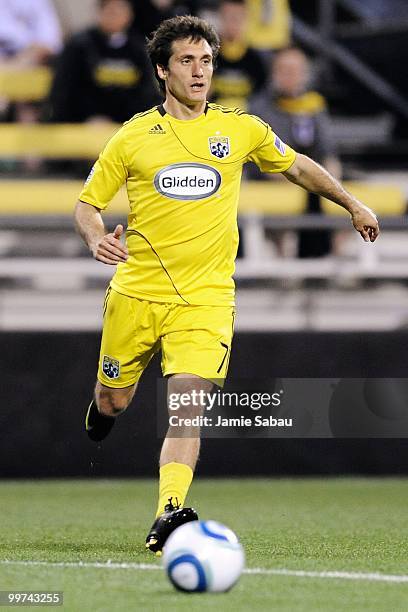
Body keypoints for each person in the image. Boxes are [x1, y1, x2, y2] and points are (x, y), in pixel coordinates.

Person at [74, 15, 379, 555]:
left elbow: (298, 167)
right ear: (162, 71)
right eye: (187, 61)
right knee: (114, 400)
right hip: (137, 292)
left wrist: (352, 202)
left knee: (187, 404)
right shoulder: (134, 136)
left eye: (207, 60)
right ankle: (102, 409)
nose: (200, 71)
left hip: (207, 299)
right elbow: (87, 204)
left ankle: (169, 512)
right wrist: (98, 237)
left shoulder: (241, 128)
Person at [250, 46, 341, 257]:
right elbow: (259, 159)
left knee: (345, 199)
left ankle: (331, 264)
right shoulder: (258, 108)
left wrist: (331, 181)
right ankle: (284, 266)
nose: (290, 76)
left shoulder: (314, 105)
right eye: (284, 70)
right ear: (274, 73)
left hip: (312, 179)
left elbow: (328, 152)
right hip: (274, 179)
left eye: (295, 70)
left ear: (305, 74)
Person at [47, 0, 159, 123]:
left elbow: (147, 92)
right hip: (84, 123)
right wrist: (87, 117)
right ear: (99, 13)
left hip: (128, 124)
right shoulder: (79, 46)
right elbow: (64, 90)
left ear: (129, 15)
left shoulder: (139, 48)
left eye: (119, 11)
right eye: (110, 11)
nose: (114, 16)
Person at [210, 0, 267, 111]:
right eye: (228, 17)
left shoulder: (257, 60)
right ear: (219, 19)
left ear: (247, 20)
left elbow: (263, 97)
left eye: (238, 18)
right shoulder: (207, 55)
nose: (233, 23)